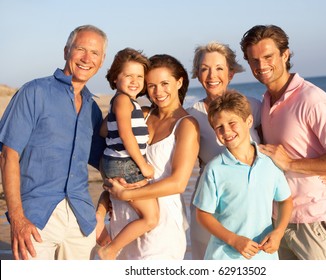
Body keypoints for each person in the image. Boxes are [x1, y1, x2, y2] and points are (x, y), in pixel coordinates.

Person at [240, 24, 326, 260]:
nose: (261, 66)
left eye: (268, 56)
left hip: (314, 219)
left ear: (285, 54)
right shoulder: (264, 102)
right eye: (254, 60)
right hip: (279, 220)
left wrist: (292, 163)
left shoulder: (311, 98)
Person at [0, 25, 107, 260]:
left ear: (102, 60)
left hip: (81, 220)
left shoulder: (92, 108)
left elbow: (107, 165)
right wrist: (17, 218)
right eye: (81, 49)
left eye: (95, 53)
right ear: (67, 50)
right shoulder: (34, 92)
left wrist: (102, 213)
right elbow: (9, 155)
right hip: (35, 218)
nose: (87, 58)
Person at [97, 54, 200, 259]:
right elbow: (107, 137)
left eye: (164, 83)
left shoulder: (186, 125)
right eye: (151, 85)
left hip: (160, 223)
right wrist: (102, 209)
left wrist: (125, 194)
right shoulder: (141, 113)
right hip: (122, 219)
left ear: (179, 82)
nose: (158, 92)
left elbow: (178, 184)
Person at [193, 90, 293, 260]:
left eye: (232, 123)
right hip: (224, 258)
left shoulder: (269, 163)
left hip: (264, 257)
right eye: (219, 127)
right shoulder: (215, 169)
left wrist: (278, 232)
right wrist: (234, 240)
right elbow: (202, 214)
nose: (227, 131)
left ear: (248, 121)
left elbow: (285, 200)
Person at [186, 41, 262, 259]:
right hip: (210, 213)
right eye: (204, 69)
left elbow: (277, 148)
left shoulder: (253, 106)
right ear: (197, 74)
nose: (212, 75)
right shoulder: (192, 117)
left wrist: (318, 169)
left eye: (219, 68)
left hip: (251, 213)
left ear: (231, 73)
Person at [96, 48, 159, 260]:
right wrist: (143, 166)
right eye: (128, 75)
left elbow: (104, 131)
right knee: (151, 218)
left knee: (122, 197)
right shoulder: (123, 101)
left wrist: (113, 117)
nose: (135, 81)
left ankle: (101, 213)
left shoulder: (124, 103)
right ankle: (110, 250)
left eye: (140, 76)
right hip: (126, 164)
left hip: (116, 162)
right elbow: (126, 135)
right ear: (115, 79)